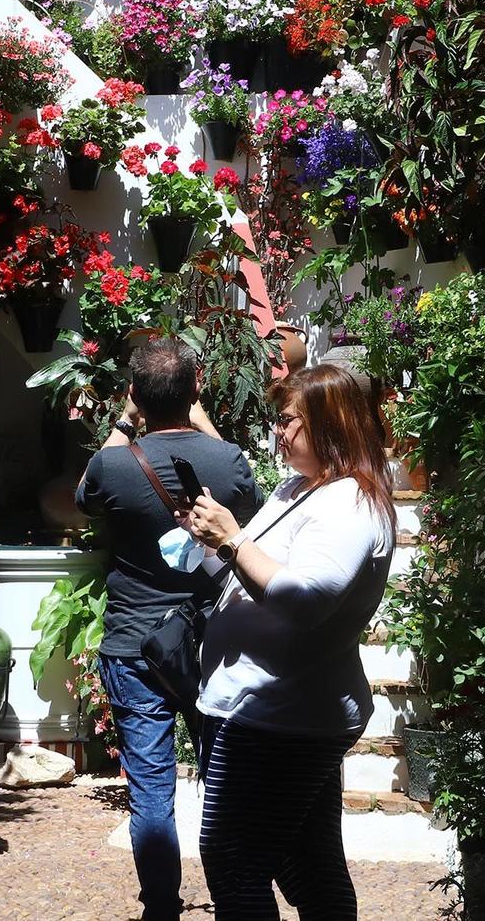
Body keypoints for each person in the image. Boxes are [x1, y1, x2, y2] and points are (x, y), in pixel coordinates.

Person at [175, 364, 397, 921]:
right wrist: (213, 541)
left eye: (288, 420)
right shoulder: (298, 488)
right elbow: (250, 572)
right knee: (308, 863)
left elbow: (305, 600)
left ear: (330, 425)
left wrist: (232, 540)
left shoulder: (350, 503)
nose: (277, 430)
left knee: (234, 860)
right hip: (268, 707)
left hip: (283, 713)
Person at [76, 338, 259, 921]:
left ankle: (160, 908)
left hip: (135, 643)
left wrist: (124, 421)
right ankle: (235, 902)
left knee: (150, 791)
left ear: (134, 394)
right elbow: (251, 505)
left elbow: (85, 497)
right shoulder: (227, 459)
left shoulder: (112, 464)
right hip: (212, 644)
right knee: (223, 784)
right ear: (197, 388)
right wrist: (203, 423)